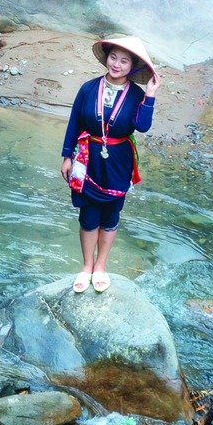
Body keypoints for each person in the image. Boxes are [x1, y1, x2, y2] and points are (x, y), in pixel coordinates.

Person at [61, 36, 158, 293]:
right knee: (88, 215)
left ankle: (101, 266)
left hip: (119, 160)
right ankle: (86, 266)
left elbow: (143, 126)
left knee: (111, 215)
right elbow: (74, 123)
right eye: (113, 57)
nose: (116, 64)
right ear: (106, 58)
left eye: (124, 61)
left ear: (132, 67)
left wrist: (150, 95)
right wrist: (66, 155)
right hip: (87, 157)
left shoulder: (137, 95)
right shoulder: (89, 88)